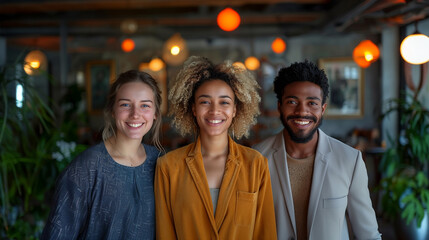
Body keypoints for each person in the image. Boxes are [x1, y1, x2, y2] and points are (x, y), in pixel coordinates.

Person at [253, 60, 381, 240]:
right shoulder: (256, 158)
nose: (301, 111)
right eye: (292, 101)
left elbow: (368, 235)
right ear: (279, 107)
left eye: (312, 103)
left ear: (322, 109)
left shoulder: (349, 160)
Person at [155, 56, 277, 239]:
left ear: (235, 109)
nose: (214, 111)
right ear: (194, 108)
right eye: (205, 102)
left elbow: (264, 233)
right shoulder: (168, 167)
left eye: (224, 102)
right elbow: (165, 234)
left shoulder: (255, 164)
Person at [42, 70, 163, 240]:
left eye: (145, 105)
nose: (135, 114)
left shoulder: (161, 163)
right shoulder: (86, 168)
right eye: (125, 104)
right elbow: (58, 234)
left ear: (155, 113)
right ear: (113, 110)